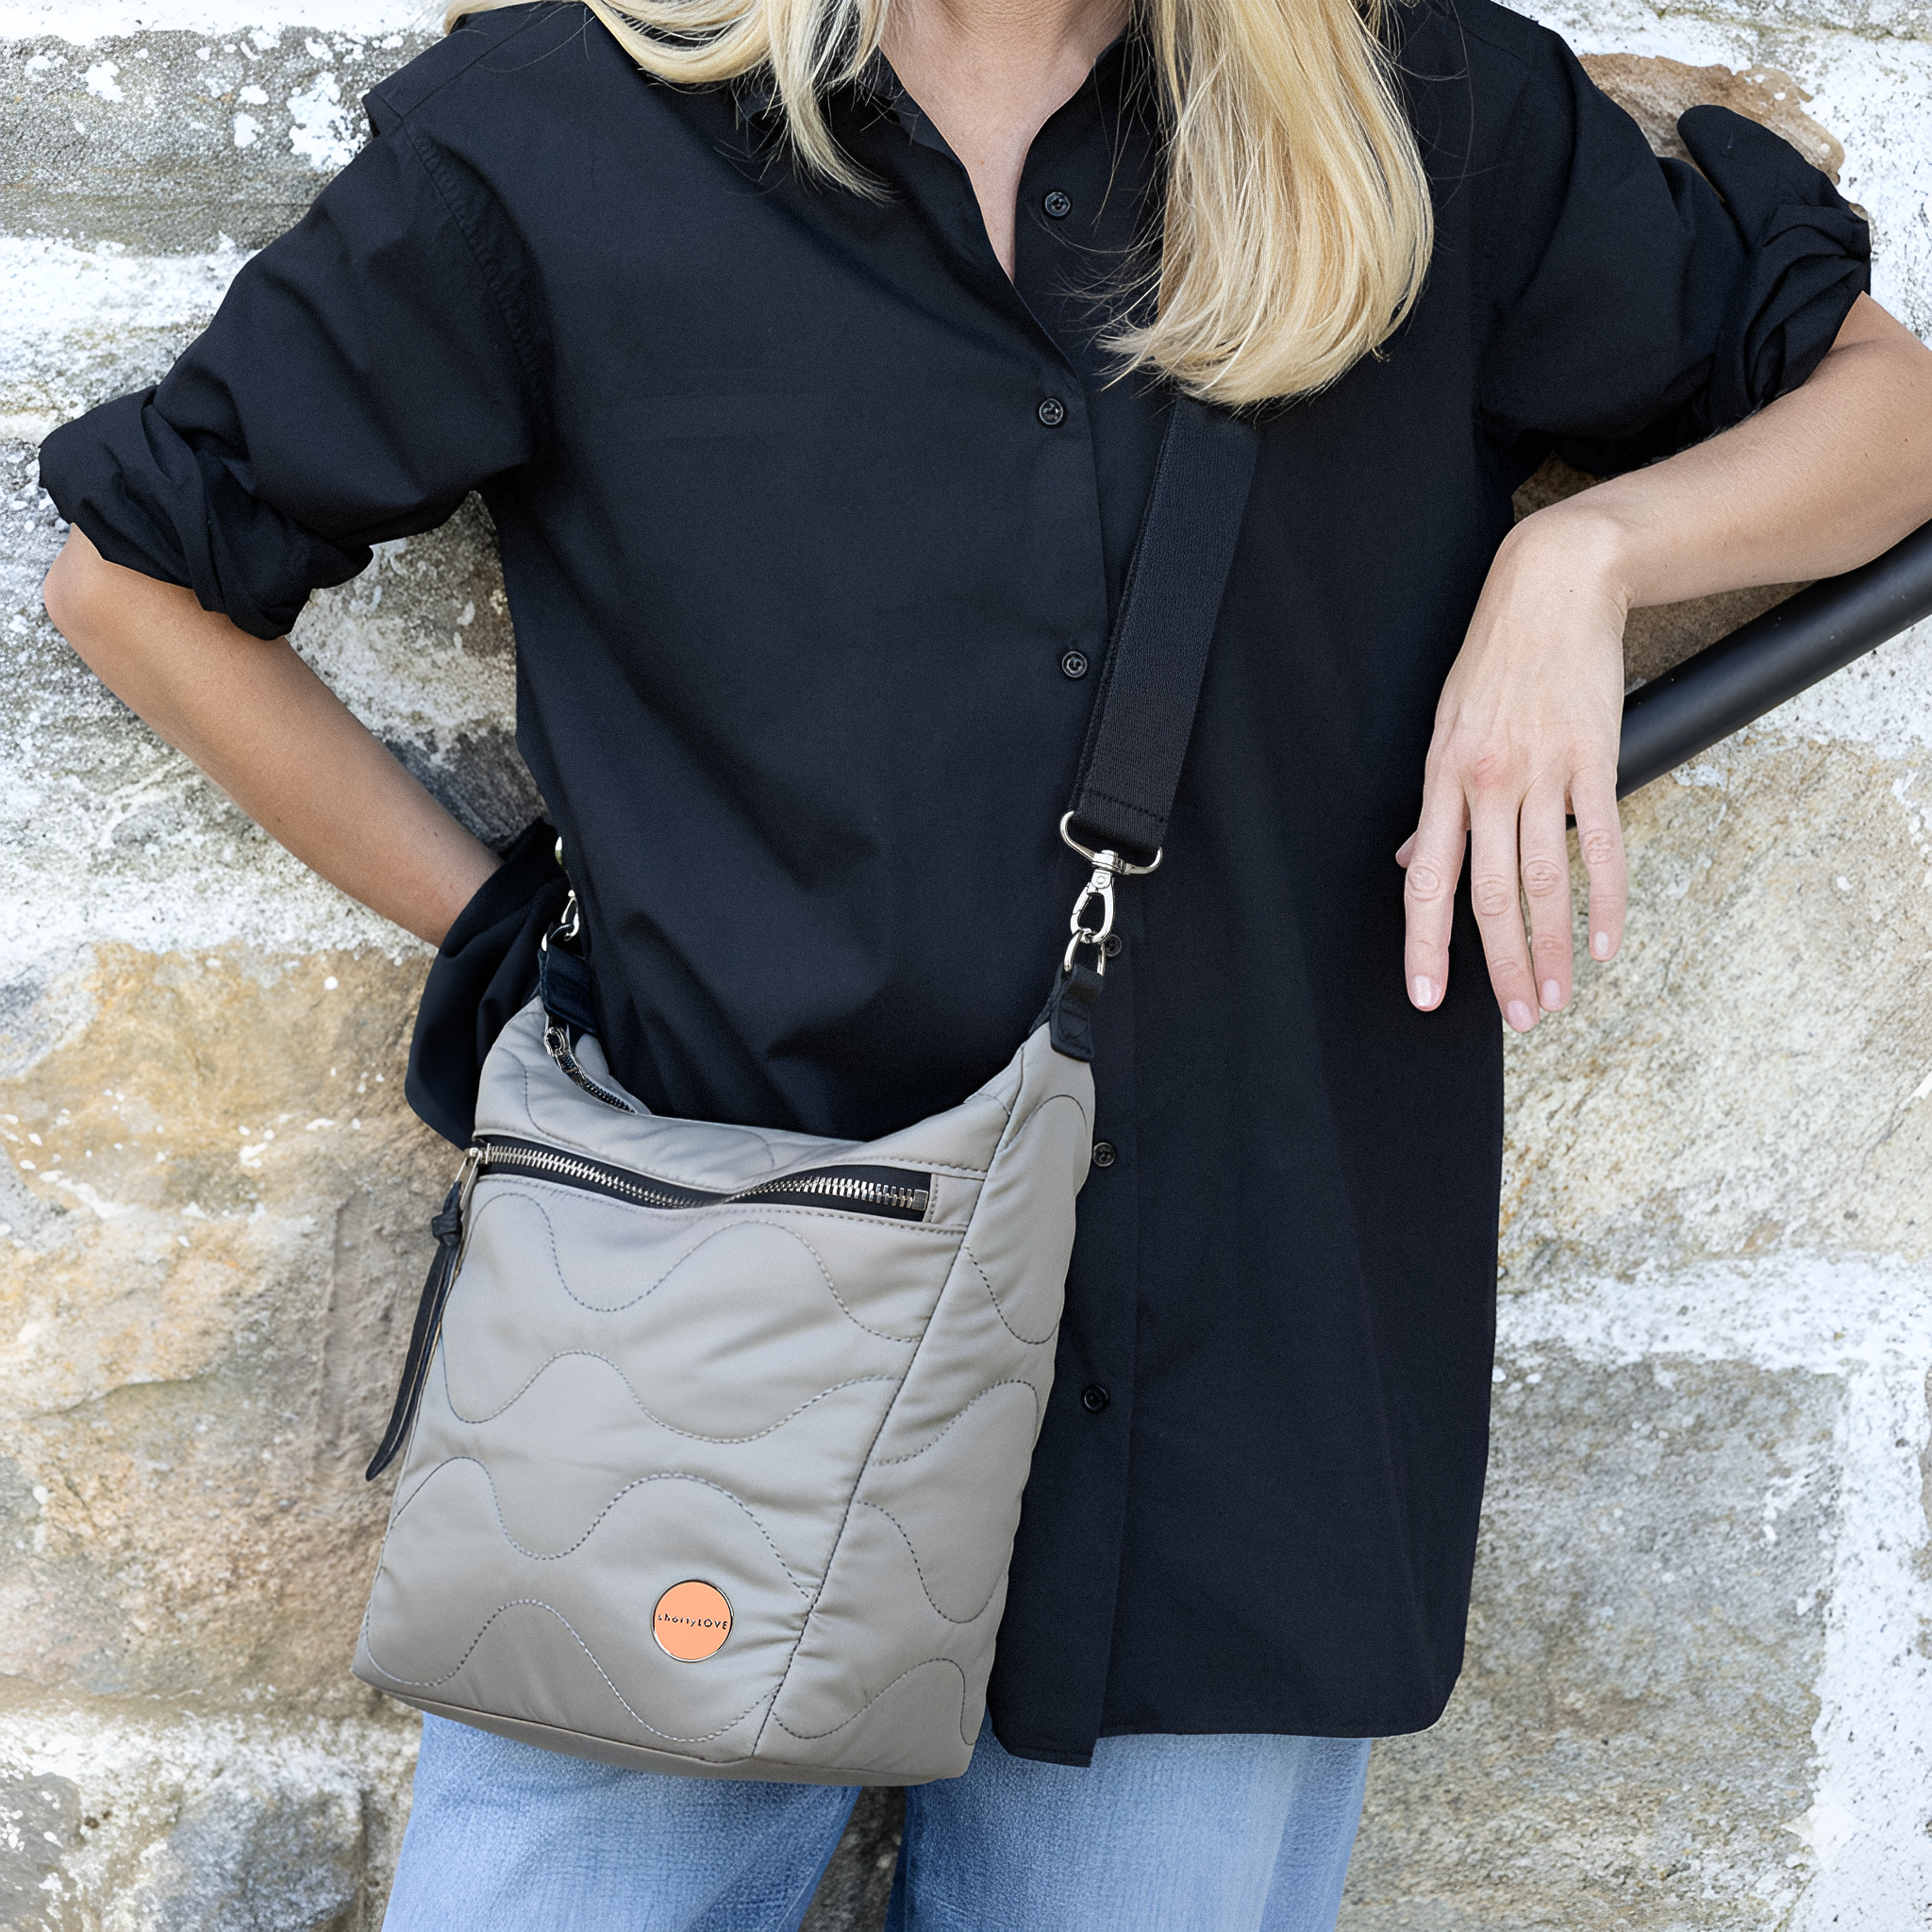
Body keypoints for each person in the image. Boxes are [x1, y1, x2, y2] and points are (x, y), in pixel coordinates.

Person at [34, 0, 1932, 1922]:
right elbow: (137, 577)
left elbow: (1888, 418)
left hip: (1232, 1384)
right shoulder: (560, 137)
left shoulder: (1414, 113)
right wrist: (513, 929)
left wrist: (1583, 558)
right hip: (696, 1366)